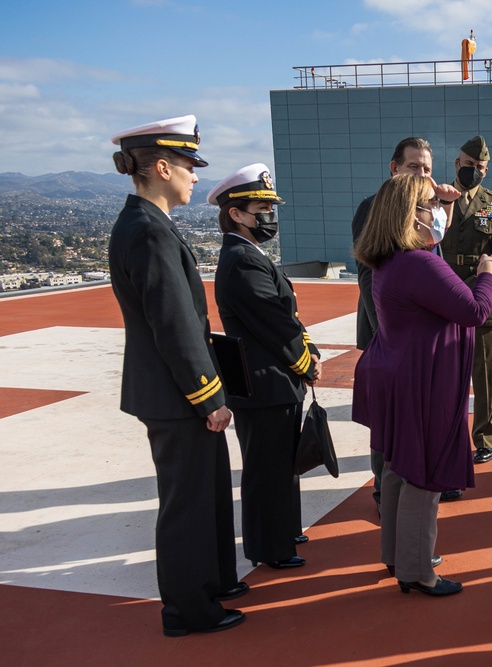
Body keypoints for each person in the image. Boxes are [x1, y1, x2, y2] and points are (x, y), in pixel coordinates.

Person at [107, 115, 245, 637]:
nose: (193, 176)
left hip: (173, 393)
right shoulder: (147, 231)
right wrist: (209, 399)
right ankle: (188, 610)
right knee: (186, 507)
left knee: (203, 495)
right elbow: (175, 326)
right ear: (162, 167)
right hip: (176, 396)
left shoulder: (149, 224)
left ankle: (211, 585)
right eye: (188, 165)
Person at [352, 174, 492, 596]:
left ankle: (398, 555)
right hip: (423, 381)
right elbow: (473, 309)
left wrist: (447, 206)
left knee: (399, 467)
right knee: (424, 474)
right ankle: (418, 571)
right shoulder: (418, 263)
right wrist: (489, 273)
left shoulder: (391, 259)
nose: (435, 212)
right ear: (408, 215)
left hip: (397, 375)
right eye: (428, 205)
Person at [209, 164, 321, 570]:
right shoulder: (241, 260)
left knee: (282, 465)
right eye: (261, 208)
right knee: (266, 471)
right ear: (236, 213)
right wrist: (307, 363)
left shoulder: (251, 255)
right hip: (263, 384)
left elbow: (286, 317)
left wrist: (308, 350)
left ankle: (284, 530)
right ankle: (269, 548)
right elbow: (275, 324)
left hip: (275, 382)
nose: (269, 216)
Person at [350, 137, 463, 509]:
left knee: (419, 424)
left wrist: (442, 205)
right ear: (394, 168)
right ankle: (388, 494)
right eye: (414, 167)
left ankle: (425, 481)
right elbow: (371, 280)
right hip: (390, 336)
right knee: (394, 428)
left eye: (428, 169)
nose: (423, 174)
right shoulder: (379, 207)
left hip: (417, 338)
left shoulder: (429, 208)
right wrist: (389, 334)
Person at [440, 135, 492, 464]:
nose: (475, 171)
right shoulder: (433, 200)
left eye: (481, 168)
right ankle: (445, 434)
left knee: (485, 375)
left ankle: (485, 436)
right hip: (439, 294)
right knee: (442, 374)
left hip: (483, 297)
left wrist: (479, 285)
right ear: (458, 164)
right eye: (470, 165)